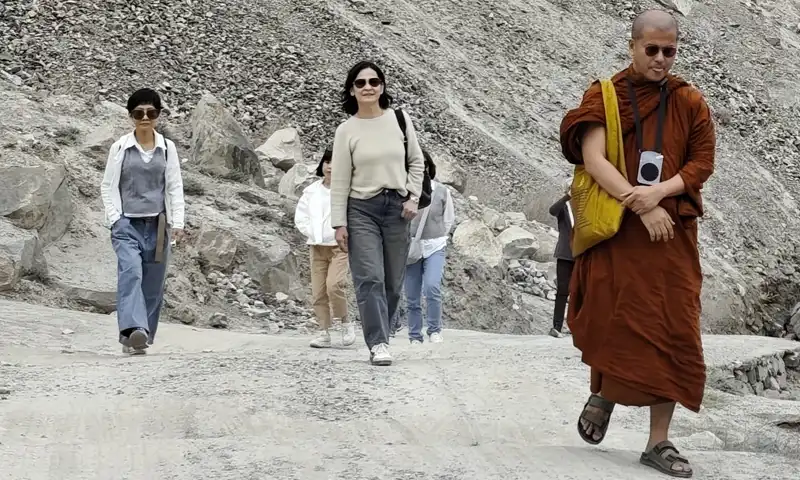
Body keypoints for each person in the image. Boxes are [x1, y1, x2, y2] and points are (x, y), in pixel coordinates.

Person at [558, 9, 715, 478]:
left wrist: (660, 194)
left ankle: (658, 442)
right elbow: (592, 158)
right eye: (652, 50)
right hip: (618, 232)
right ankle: (604, 394)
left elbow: (701, 163)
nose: (662, 59)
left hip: (671, 237)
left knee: (673, 327)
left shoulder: (690, 101)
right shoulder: (605, 97)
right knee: (615, 319)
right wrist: (638, 204)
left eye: (670, 50)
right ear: (632, 47)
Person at [330, 60, 425, 366]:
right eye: (361, 83)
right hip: (362, 210)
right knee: (369, 276)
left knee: (393, 281)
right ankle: (378, 342)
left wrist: (412, 197)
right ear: (352, 90)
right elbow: (340, 180)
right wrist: (339, 223)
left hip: (398, 209)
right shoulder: (346, 130)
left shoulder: (399, 119)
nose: (368, 87)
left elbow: (417, 162)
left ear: (382, 87)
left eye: (373, 81)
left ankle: (385, 323)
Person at [100, 88, 185, 355]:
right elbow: (107, 185)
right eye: (139, 113)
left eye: (151, 112)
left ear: (159, 115)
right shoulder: (120, 147)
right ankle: (133, 329)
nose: (145, 118)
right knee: (131, 274)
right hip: (127, 226)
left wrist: (178, 222)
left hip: (158, 226)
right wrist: (116, 219)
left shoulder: (168, 149)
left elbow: (174, 187)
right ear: (131, 116)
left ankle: (140, 337)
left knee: (153, 284)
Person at [294, 146, 356, 348]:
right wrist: (311, 232)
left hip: (339, 246)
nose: (330, 167)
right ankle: (324, 332)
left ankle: (346, 322)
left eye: (336, 163)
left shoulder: (348, 191)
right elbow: (301, 216)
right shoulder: (311, 191)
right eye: (328, 162)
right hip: (316, 246)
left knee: (334, 285)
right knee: (319, 291)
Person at [404, 150, 455, 345]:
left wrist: (441, 235)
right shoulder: (404, 190)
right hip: (410, 247)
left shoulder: (441, 190)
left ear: (429, 167)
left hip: (435, 245)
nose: (422, 168)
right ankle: (415, 334)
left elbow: (448, 218)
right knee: (411, 293)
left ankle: (434, 329)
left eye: (424, 164)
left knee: (432, 286)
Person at [547, 178, 574, 339]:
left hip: (582, 253)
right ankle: (556, 326)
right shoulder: (565, 206)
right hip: (565, 254)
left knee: (580, 291)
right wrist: (568, 196)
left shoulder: (585, 205)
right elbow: (552, 210)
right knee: (562, 291)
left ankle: (575, 325)